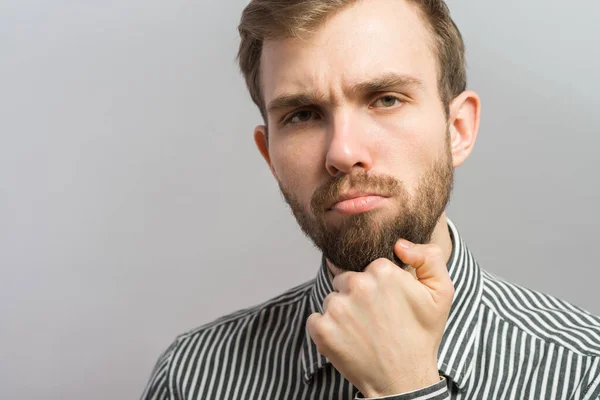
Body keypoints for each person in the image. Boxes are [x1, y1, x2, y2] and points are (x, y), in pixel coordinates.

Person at [141, 0, 600, 399]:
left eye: (386, 100)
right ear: (270, 157)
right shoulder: (191, 378)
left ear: (457, 130)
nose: (343, 152)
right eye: (302, 115)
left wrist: (405, 387)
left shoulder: (584, 374)